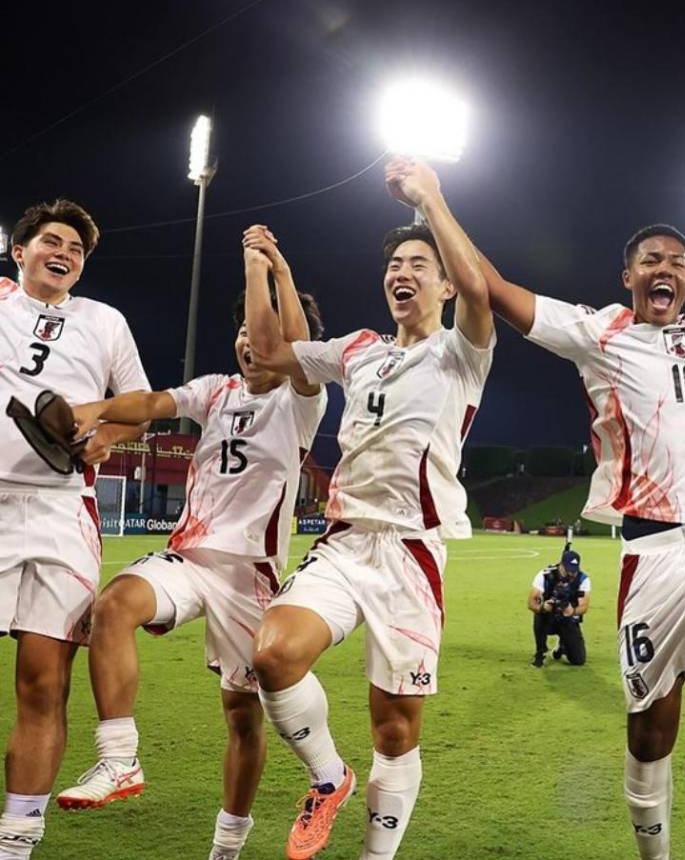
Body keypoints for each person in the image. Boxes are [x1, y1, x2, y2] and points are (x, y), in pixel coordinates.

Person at [477, 208, 685, 860]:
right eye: (652, 260)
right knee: (650, 730)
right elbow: (495, 288)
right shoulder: (597, 330)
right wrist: (432, 200)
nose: (666, 269)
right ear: (627, 274)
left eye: (678, 263)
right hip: (650, 551)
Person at [246, 158, 494, 860]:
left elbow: (481, 288)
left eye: (420, 263)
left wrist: (432, 196)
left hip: (412, 555)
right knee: (273, 656)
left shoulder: (461, 354)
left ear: (444, 284)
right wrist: (266, 268)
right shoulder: (356, 349)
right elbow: (269, 351)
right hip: (345, 543)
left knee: (395, 731)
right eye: (395, 264)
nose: (402, 272)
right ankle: (329, 779)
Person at [54, 229, 326, 860]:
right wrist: (94, 408)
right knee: (113, 606)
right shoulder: (215, 390)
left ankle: (227, 846)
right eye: (240, 331)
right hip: (190, 557)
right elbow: (152, 399)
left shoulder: (301, 398)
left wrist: (267, 267)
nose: (248, 342)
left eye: (260, 333)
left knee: (242, 716)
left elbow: (295, 347)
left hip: (250, 579)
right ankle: (119, 758)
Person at [0, 200, 150, 859]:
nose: (64, 252)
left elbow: (138, 408)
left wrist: (105, 438)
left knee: (42, 681)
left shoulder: (104, 321)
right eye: (50, 241)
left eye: (76, 249)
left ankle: (15, 843)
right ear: (19, 251)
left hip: (64, 510)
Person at [528, 547, 591, 667]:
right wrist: (542, 608)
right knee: (539, 616)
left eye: (574, 571)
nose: (572, 574)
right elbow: (531, 602)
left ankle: (562, 645)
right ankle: (540, 651)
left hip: (568, 620)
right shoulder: (545, 575)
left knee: (578, 660)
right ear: (560, 565)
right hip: (548, 619)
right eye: (568, 570)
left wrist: (572, 611)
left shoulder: (583, 579)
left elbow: (584, 606)